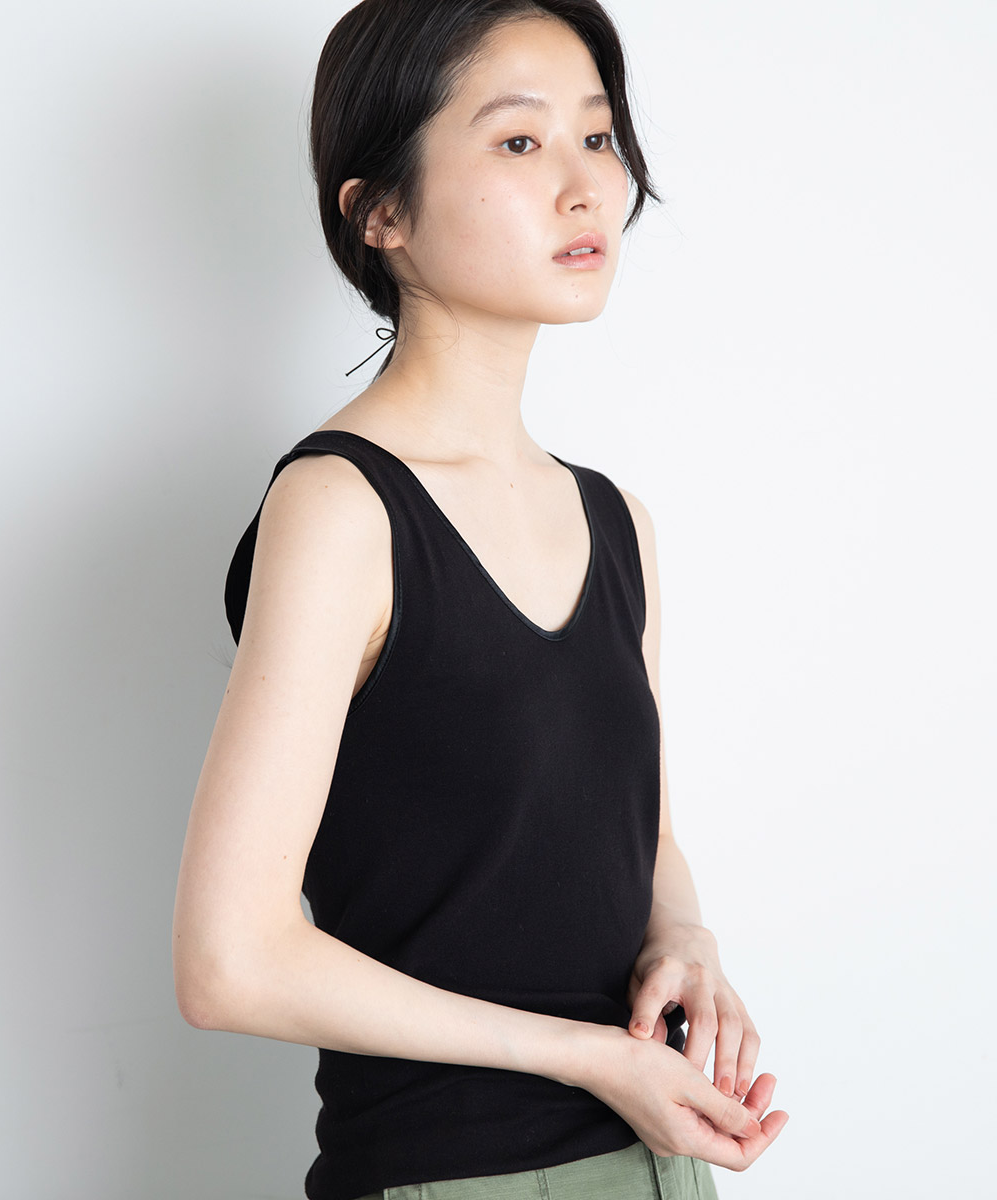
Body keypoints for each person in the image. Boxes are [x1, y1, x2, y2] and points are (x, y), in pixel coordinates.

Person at [172, 2, 789, 1197]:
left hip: (660, 1159)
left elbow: (642, 834)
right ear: (380, 213)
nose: (585, 184)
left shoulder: (616, 522)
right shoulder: (342, 509)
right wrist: (587, 1057)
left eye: (597, 136)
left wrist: (686, 940)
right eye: (518, 141)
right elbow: (229, 960)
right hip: (457, 1178)